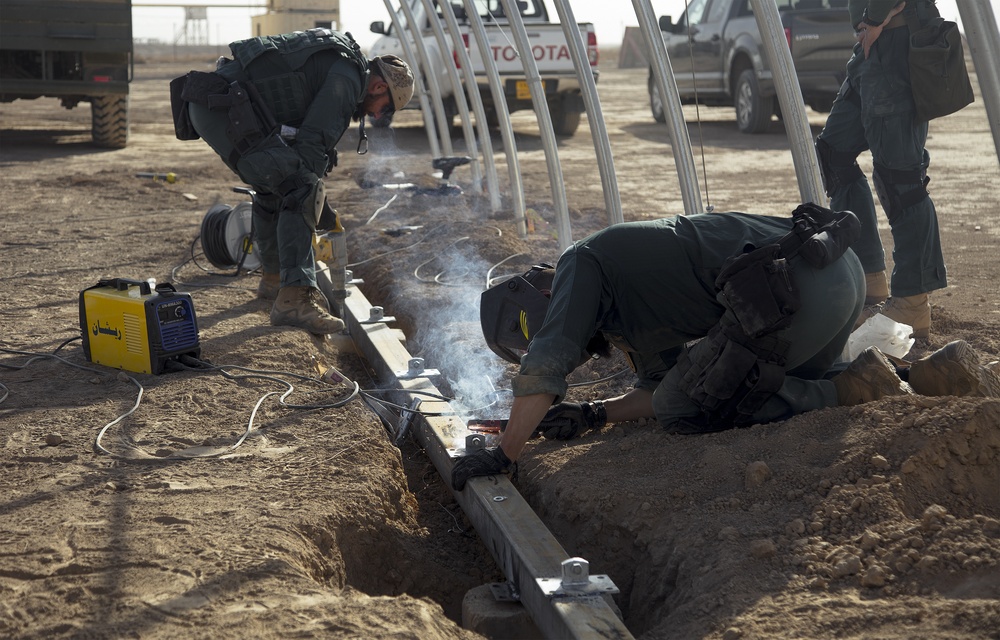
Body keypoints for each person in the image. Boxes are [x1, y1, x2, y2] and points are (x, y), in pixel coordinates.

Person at [451, 208, 999, 491]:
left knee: (688, 409)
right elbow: (660, 383)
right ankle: (914, 376)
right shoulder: (626, 290)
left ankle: (839, 394)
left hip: (797, 295)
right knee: (714, 385)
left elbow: (551, 358)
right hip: (838, 275)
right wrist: (595, 413)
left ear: (542, 299)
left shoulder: (582, 261)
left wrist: (505, 454)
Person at [179, 28, 414, 335]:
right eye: (384, 109)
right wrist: (317, 200)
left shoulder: (345, 66)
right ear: (379, 86)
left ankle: (275, 280)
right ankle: (295, 299)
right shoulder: (348, 79)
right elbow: (311, 146)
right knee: (299, 187)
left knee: (273, 186)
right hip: (226, 109)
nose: (378, 115)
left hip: (217, 104)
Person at [814, 0, 945, 339]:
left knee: (901, 181)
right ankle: (868, 276)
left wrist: (875, 16)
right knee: (834, 154)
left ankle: (912, 303)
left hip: (892, 38)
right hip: (872, 47)